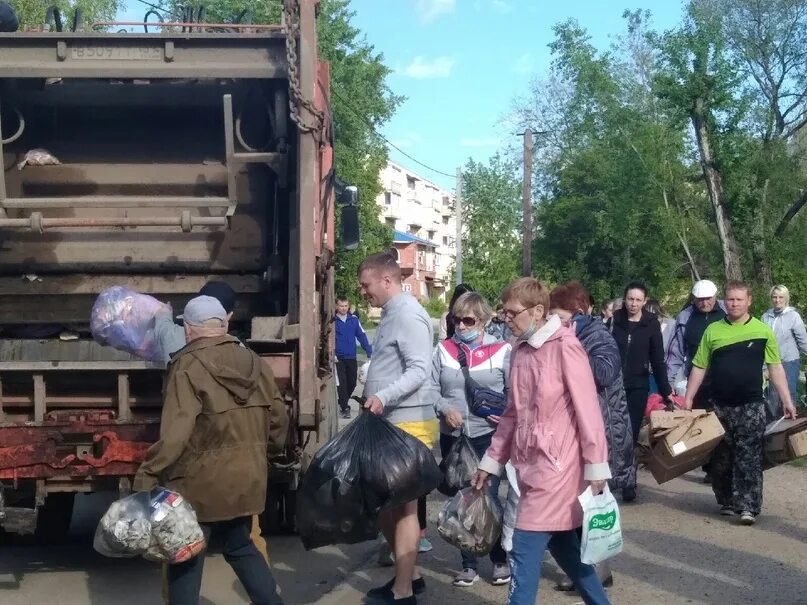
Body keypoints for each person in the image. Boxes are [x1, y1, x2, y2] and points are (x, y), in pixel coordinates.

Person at [133, 296, 289, 605]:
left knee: (187, 556)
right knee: (240, 547)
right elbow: (279, 419)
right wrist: (267, 455)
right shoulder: (255, 362)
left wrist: (147, 475)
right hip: (247, 479)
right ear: (225, 324)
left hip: (198, 484)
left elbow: (175, 435)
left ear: (188, 330)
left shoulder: (186, 366)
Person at [472, 277, 612, 605]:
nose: (506, 320)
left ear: (537, 311)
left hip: (559, 469)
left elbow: (588, 411)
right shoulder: (519, 350)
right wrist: (490, 462)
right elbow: (512, 414)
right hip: (529, 465)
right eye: (503, 313)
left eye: (511, 313)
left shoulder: (566, 347)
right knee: (564, 546)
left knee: (523, 546)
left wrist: (596, 467)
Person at [684, 281, 797, 525]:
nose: (734, 304)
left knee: (749, 457)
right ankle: (726, 500)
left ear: (749, 301)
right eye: (730, 299)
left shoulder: (762, 330)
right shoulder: (713, 331)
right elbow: (699, 366)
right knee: (721, 457)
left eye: (739, 299)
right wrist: (689, 397)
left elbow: (775, 368)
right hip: (720, 405)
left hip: (751, 404)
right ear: (725, 301)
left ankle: (748, 506)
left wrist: (787, 400)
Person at [359, 251, 436, 605]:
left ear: (386, 280)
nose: (363, 292)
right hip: (391, 422)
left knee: (404, 508)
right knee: (384, 507)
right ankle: (411, 577)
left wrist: (383, 396)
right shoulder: (392, 314)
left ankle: (403, 592)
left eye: (366, 285)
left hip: (409, 424)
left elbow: (420, 369)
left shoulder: (408, 315)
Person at [431, 292, 511, 587]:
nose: (461, 326)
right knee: (462, 499)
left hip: (489, 436)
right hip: (454, 436)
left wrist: (506, 417)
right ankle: (468, 564)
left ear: (485, 321)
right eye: (456, 319)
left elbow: (516, 393)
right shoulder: (443, 350)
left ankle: (499, 559)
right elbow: (429, 388)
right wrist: (444, 407)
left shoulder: (503, 350)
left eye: (468, 320)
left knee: (488, 497)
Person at [550, 281, 636, 507]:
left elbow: (605, 374)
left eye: (558, 317)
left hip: (602, 424)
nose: (553, 323)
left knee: (591, 501)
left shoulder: (597, 335)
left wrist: (572, 350)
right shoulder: (564, 335)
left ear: (577, 314)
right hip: (575, 423)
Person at [610, 282, 673, 455]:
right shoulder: (614, 320)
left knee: (631, 430)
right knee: (612, 429)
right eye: (630, 299)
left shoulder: (651, 324)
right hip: (613, 385)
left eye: (638, 300)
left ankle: (627, 473)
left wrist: (665, 389)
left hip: (638, 385)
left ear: (645, 301)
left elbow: (657, 359)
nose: (634, 304)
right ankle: (610, 472)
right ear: (625, 299)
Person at [153, 281, 238, 363]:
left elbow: (162, 322)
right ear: (228, 317)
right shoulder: (240, 349)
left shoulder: (170, 335)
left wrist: (165, 312)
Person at [761, 285, 807, 420]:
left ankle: (791, 427)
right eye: (774, 297)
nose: (777, 300)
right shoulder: (766, 316)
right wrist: (764, 366)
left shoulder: (793, 316)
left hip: (789, 361)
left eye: (780, 297)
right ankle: (775, 426)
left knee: (788, 394)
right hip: (771, 362)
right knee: (772, 397)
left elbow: (803, 340)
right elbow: (762, 342)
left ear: (786, 298)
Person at [334, 296, 373, 419]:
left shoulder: (354, 320)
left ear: (348, 306)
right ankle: (345, 408)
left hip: (351, 356)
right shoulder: (333, 321)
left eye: (346, 306)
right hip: (338, 358)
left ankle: (342, 402)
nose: (344, 308)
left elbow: (361, 335)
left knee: (352, 383)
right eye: (341, 306)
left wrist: (369, 351)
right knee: (342, 384)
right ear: (336, 306)